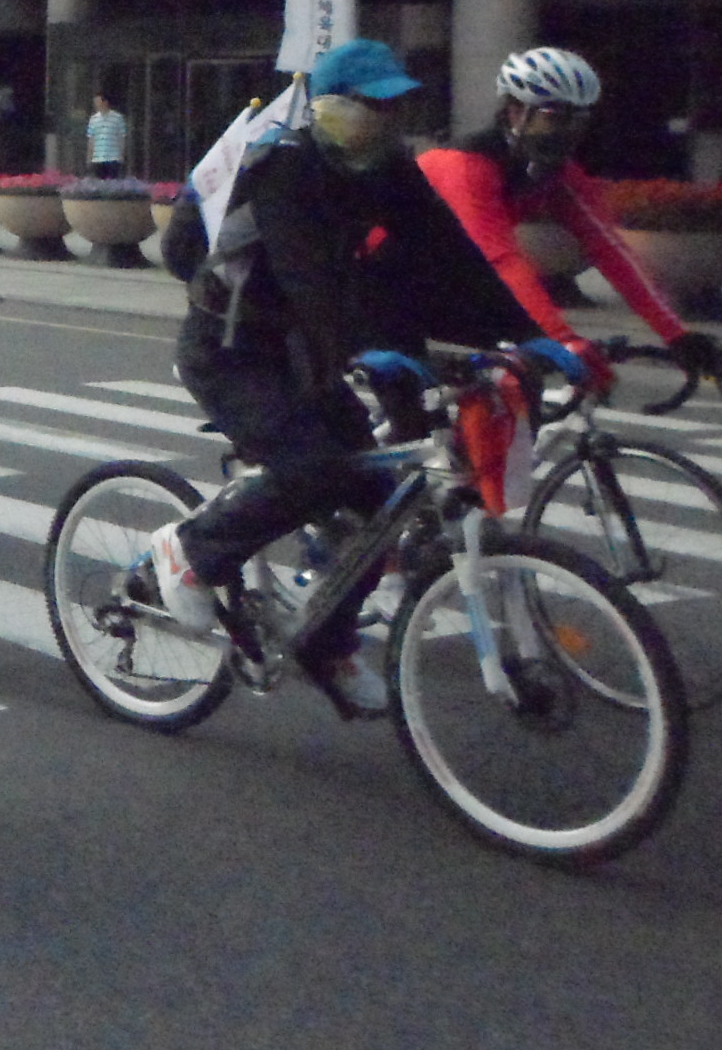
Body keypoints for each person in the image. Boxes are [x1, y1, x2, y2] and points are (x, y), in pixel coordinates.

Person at [154, 39, 569, 718]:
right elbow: (307, 276)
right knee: (313, 466)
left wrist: (528, 336)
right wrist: (362, 350)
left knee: (380, 497)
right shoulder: (285, 165)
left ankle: (328, 644)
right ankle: (190, 551)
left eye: (393, 107)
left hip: (298, 346)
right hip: (229, 347)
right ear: (328, 105)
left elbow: (452, 256)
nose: (384, 119)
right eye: (370, 105)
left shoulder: (387, 168)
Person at [417, 47, 722, 388]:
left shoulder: (556, 174)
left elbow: (610, 250)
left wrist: (677, 335)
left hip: (457, 285)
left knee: (515, 388)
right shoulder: (465, 166)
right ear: (516, 111)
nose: (568, 131)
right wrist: (563, 339)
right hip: (390, 284)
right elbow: (501, 260)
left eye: (579, 120)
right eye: (555, 117)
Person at [86, 93, 130, 178]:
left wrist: (121, 155)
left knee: (113, 182)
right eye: (95, 102)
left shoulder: (118, 118)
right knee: (99, 183)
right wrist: (89, 157)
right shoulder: (93, 119)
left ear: (105, 102)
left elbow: (121, 137)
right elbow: (91, 139)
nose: (96, 105)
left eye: (98, 102)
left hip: (113, 157)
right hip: (98, 158)